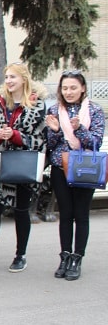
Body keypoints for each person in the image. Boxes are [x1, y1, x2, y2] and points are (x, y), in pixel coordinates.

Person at [0, 63, 47, 272]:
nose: (8, 81)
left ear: (24, 79)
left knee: (21, 212)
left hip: (22, 167)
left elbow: (41, 140)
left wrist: (16, 136)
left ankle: (20, 255)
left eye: (13, 77)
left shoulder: (37, 106)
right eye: (7, 77)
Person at [45, 70, 106, 280]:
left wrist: (79, 129)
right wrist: (53, 131)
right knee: (65, 215)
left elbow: (96, 141)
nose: (69, 92)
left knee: (81, 215)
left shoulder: (95, 110)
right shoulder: (55, 109)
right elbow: (51, 146)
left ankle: (77, 258)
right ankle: (64, 256)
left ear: (82, 88)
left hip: (85, 169)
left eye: (73, 87)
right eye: (65, 88)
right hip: (60, 169)